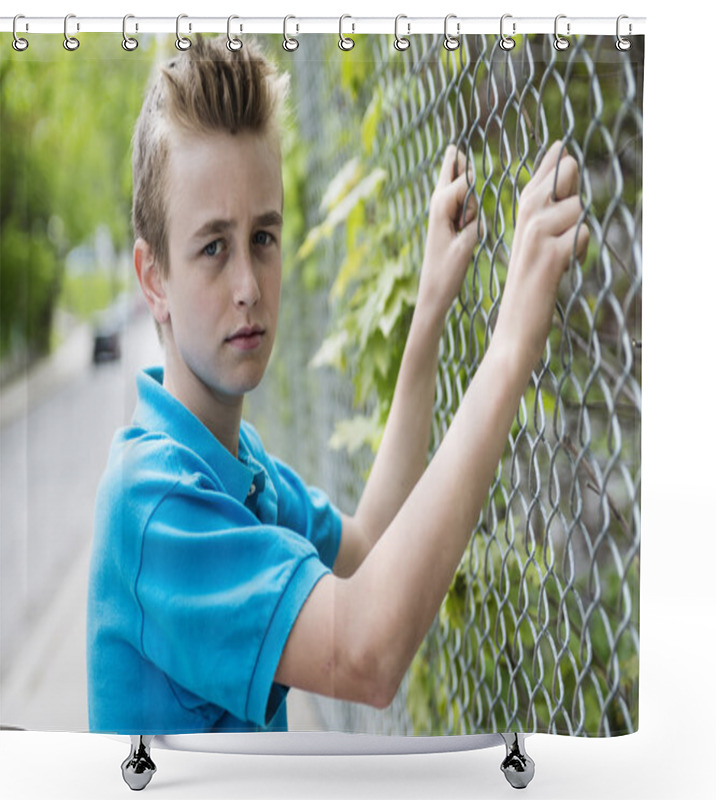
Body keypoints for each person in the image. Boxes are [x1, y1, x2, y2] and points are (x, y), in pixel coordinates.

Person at [87, 35, 589, 734]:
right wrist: (509, 349)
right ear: (153, 277)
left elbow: (369, 545)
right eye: (212, 247)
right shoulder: (156, 504)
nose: (247, 287)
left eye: (264, 238)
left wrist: (429, 311)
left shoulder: (234, 463)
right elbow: (365, 653)